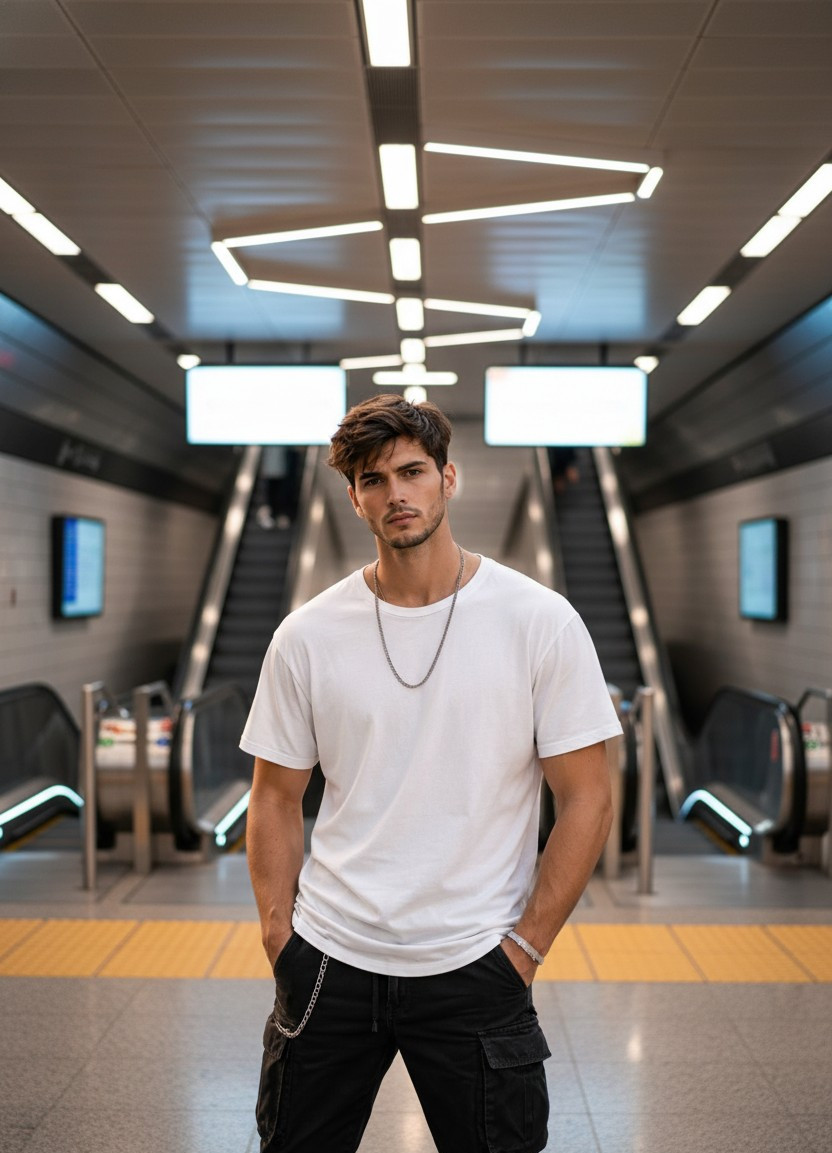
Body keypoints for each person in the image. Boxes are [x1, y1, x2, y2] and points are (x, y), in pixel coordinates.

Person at [241, 394, 622, 1153]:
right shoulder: (306, 635)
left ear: (450, 477)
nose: (396, 494)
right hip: (330, 959)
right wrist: (282, 937)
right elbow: (275, 797)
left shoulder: (538, 621)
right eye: (373, 480)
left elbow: (588, 797)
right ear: (353, 498)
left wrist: (526, 948)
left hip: (477, 961)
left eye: (412, 471)